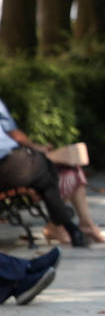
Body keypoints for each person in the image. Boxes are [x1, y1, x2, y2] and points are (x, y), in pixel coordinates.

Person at [0, 99, 87, 247]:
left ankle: (63, 222)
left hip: (11, 165)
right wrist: (36, 147)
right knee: (44, 169)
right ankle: (65, 223)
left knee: (44, 170)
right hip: (9, 164)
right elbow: (15, 135)